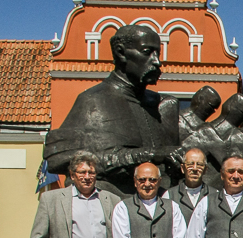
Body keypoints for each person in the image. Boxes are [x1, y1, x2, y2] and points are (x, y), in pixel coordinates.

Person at [43, 25, 179, 196]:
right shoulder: (93, 101)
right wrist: (150, 154)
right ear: (121, 53)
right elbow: (60, 159)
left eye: (157, 53)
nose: (157, 61)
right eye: (147, 52)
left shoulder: (165, 105)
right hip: (110, 208)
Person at [164, 148, 211, 224]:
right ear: (182, 168)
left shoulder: (215, 195)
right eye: (190, 164)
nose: (195, 168)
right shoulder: (169, 196)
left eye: (199, 165)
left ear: (205, 169)